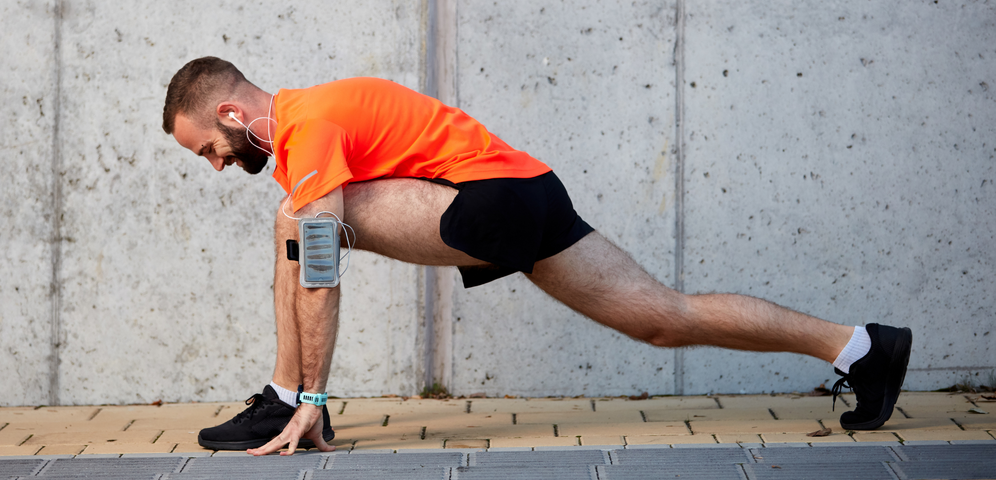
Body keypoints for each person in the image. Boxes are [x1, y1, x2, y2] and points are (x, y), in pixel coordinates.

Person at [161, 57, 912, 456]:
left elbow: (318, 267)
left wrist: (320, 397)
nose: (218, 164)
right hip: (530, 192)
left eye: (208, 150)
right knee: (663, 318)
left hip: (492, 200)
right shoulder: (313, 123)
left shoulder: (308, 124)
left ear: (231, 113)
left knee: (301, 223)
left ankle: (291, 404)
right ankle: (861, 347)